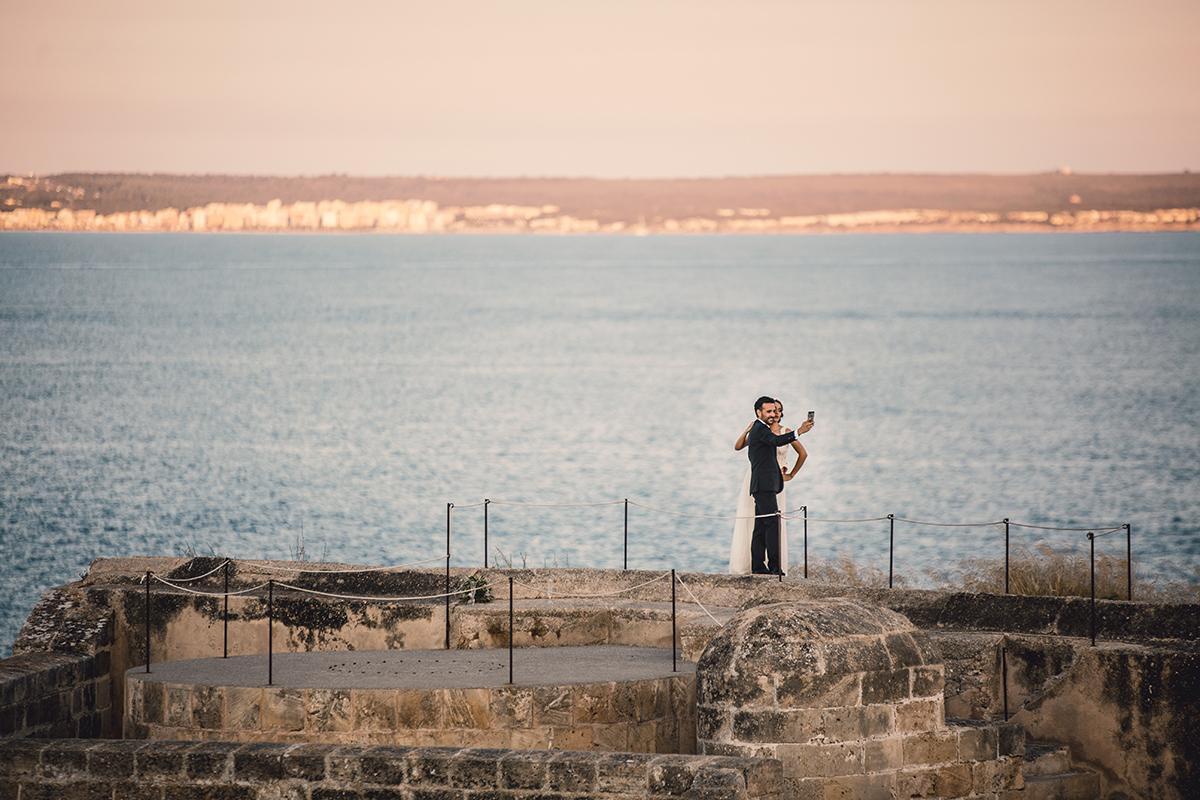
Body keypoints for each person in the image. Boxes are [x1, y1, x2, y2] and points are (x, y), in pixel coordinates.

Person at [729, 396, 812, 575]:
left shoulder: (762, 429)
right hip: (763, 485)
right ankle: (775, 568)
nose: (773, 414)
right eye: (769, 411)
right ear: (759, 412)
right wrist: (800, 431)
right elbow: (776, 441)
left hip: (767, 484)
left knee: (760, 526)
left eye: (774, 411)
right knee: (772, 523)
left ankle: (758, 566)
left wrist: (787, 474)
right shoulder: (759, 429)